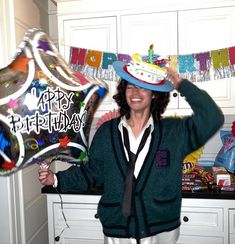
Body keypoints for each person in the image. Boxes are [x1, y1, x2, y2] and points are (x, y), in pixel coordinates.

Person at [38, 58, 224, 244]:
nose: (135, 92)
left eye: (143, 87)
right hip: (117, 230)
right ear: (124, 92)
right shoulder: (106, 133)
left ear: (154, 94)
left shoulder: (174, 133)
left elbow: (212, 117)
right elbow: (92, 173)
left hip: (160, 230)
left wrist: (179, 83)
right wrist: (55, 179)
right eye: (130, 86)